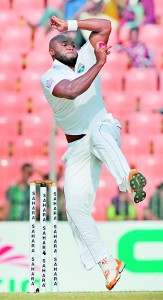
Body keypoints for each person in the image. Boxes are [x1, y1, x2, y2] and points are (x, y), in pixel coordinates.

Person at [40, 15, 147, 290]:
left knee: (98, 132)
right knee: (74, 208)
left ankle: (128, 178)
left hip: (104, 130)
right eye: (63, 44)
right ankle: (107, 263)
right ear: (52, 52)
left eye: (71, 43)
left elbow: (105, 26)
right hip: (77, 147)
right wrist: (100, 63)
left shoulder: (87, 51)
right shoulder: (49, 77)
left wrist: (70, 26)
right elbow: (73, 90)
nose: (70, 45)